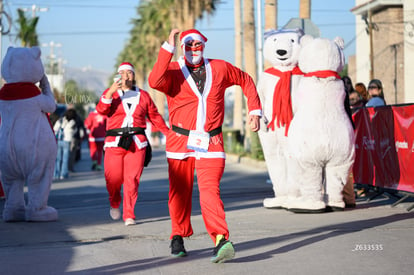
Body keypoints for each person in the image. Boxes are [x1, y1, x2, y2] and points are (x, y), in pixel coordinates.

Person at [148, 29, 262, 263]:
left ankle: (221, 239)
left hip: (212, 140)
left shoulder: (219, 67)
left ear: (204, 45)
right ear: (181, 48)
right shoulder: (172, 71)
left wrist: (254, 111)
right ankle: (177, 234)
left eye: (197, 44)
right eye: (187, 45)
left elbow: (246, 80)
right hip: (180, 141)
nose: (192, 49)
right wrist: (167, 48)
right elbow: (154, 81)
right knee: (180, 193)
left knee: (210, 191)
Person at [96, 62, 169, 226]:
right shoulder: (111, 94)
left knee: (132, 180)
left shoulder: (143, 95)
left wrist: (169, 134)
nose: (126, 75)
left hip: (137, 143)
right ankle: (115, 202)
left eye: (129, 72)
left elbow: (155, 116)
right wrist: (110, 92)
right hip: (114, 143)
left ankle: (129, 214)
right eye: (122, 72)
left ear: (134, 76)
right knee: (113, 178)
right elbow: (101, 110)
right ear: (118, 75)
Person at [54, 108, 77, 180]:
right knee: (65, 158)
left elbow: (54, 129)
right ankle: (63, 174)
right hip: (67, 141)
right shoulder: (73, 122)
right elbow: (74, 131)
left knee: (57, 159)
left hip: (58, 140)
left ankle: (56, 174)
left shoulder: (60, 120)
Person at [84, 105, 107, 170]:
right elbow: (107, 125)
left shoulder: (91, 115)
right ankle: (99, 165)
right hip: (102, 136)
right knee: (100, 151)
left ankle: (94, 161)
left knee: (93, 150)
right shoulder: (104, 115)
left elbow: (87, 125)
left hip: (92, 137)